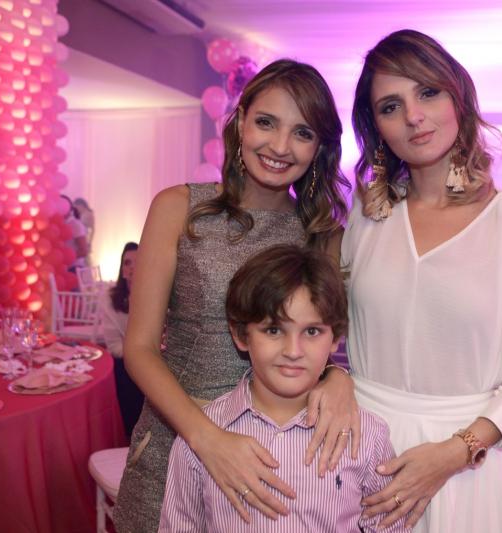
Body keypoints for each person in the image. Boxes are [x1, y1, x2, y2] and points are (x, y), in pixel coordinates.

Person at [342, 29, 502, 532]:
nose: (413, 116)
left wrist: (457, 451)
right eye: (390, 106)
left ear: (458, 98)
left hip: (468, 462)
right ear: (377, 128)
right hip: (360, 451)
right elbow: (332, 331)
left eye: (427, 92)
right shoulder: (365, 217)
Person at [113, 60, 355, 532]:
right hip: (178, 437)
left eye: (302, 133)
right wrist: (207, 438)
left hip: (275, 453)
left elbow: (314, 343)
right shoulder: (179, 208)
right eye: (266, 122)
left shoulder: (321, 234)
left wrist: (337, 377)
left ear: (320, 148)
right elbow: (139, 349)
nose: (280, 146)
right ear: (241, 121)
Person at [159, 244, 403, 532]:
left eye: (312, 331)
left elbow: (390, 526)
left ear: (335, 337)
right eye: (273, 330)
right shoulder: (202, 435)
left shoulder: (368, 436)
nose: (293, 351)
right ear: (241, 335)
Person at [99, 241, 144, 439]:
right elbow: (114, 346)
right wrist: (140, 353)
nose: (132, 267)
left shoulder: (158, 295)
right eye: (127, 263)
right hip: (126, 362)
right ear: (122, 270)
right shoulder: (111, 299)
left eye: (138, 261)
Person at [61, 194, 89, 272]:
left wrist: (65, 258)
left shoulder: (75, 224)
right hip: (64, 269)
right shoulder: (61, 224)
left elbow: (84, 251)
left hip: (74, 268)